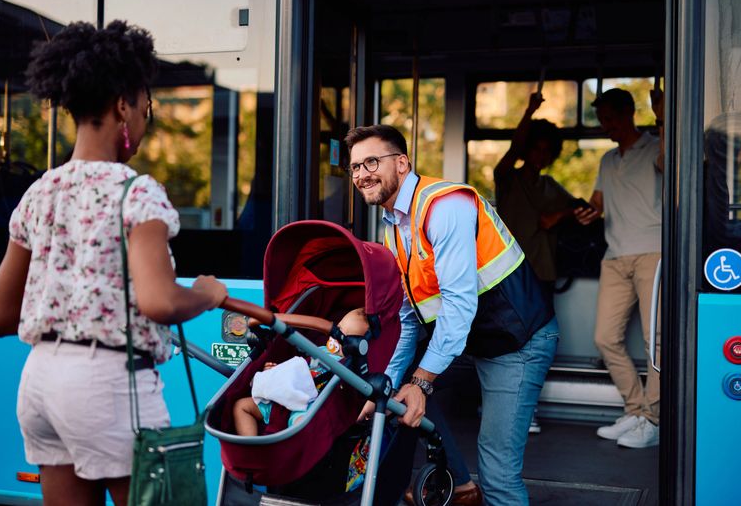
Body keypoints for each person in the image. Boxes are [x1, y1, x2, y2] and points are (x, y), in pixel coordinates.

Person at [0, 21, 228, 506]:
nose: (144, 119)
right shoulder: (135, 193)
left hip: (40, 385)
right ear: (123, 105)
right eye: (146, 107)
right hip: (108, 387)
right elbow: (159, 301)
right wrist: (206, 294)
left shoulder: (39, 194)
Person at [348, 124, 558, 506]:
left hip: (518, 341)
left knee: (497, 470)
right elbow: (410, 318)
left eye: (371, 162)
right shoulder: (394, 228)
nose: (362, 174)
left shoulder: (445, 206)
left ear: (402, 162)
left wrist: (422, 381)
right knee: (401, 393)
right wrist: (385, 390)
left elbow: (459, 304)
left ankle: (480, 487)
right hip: (474, 338)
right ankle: (460, 485)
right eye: (355, 167)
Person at [575, 87, 664, 448]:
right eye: (602, 120)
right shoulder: (608, 160)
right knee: (605, 338)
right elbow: (598, 202)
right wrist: (588, 212)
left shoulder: (656, 145)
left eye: (609, 118)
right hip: (615, 256)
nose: (605, 126)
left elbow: (673, 163)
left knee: (655, 341)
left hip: (653, 253)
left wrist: (663, 114)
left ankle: (654, 419)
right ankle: (636, 411)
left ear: (628, 114)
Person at [494, 92, 577, 434]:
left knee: (539, 342)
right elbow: (512, 149)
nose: (541, 155)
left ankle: (529, 407)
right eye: (536, 147)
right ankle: (500, 401)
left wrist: (559, 215)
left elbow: (581, 209)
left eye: (547, 150)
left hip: (542, 273)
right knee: (505, 338)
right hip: (507, 274)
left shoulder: (551, 186)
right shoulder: (507, 178)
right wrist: (529, 110)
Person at [234, 308, 368, 436]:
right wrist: (274, 373)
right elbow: (297, 367)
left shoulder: (350, 367)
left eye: (345, 336)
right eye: (338, 328)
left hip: (305, 405)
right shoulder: (321, 350)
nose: (336, 335)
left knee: (301, 427)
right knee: (241, 406)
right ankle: (252, 446)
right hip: (282, 396)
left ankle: (285, 449)